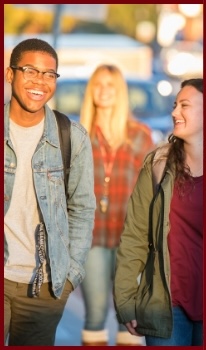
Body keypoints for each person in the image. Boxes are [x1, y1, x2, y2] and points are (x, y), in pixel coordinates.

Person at [4, 38, 95, 345]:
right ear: (10, 74)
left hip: (42, 289)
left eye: (49, 74)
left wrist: (69, 276)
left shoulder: (73, 138)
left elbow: (82, 210)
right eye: (30, 70)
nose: (39, 81)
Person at [113, 79, 204, 346]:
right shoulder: (158, 164)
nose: (175, 112)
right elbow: (135, 236)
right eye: (176, 105)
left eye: (185, 106)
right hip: (165, 306)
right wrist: (126, 300)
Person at [79, 64, 154, 346]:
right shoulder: (79, 135)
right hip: (92, 236)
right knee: (95, 315)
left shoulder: (140, 135)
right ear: (92, 91)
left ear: (120, 91)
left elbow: (151, 191)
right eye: (98, 84)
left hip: (130, 239)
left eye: (111, 85)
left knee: (130, 317)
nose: (104, 90)